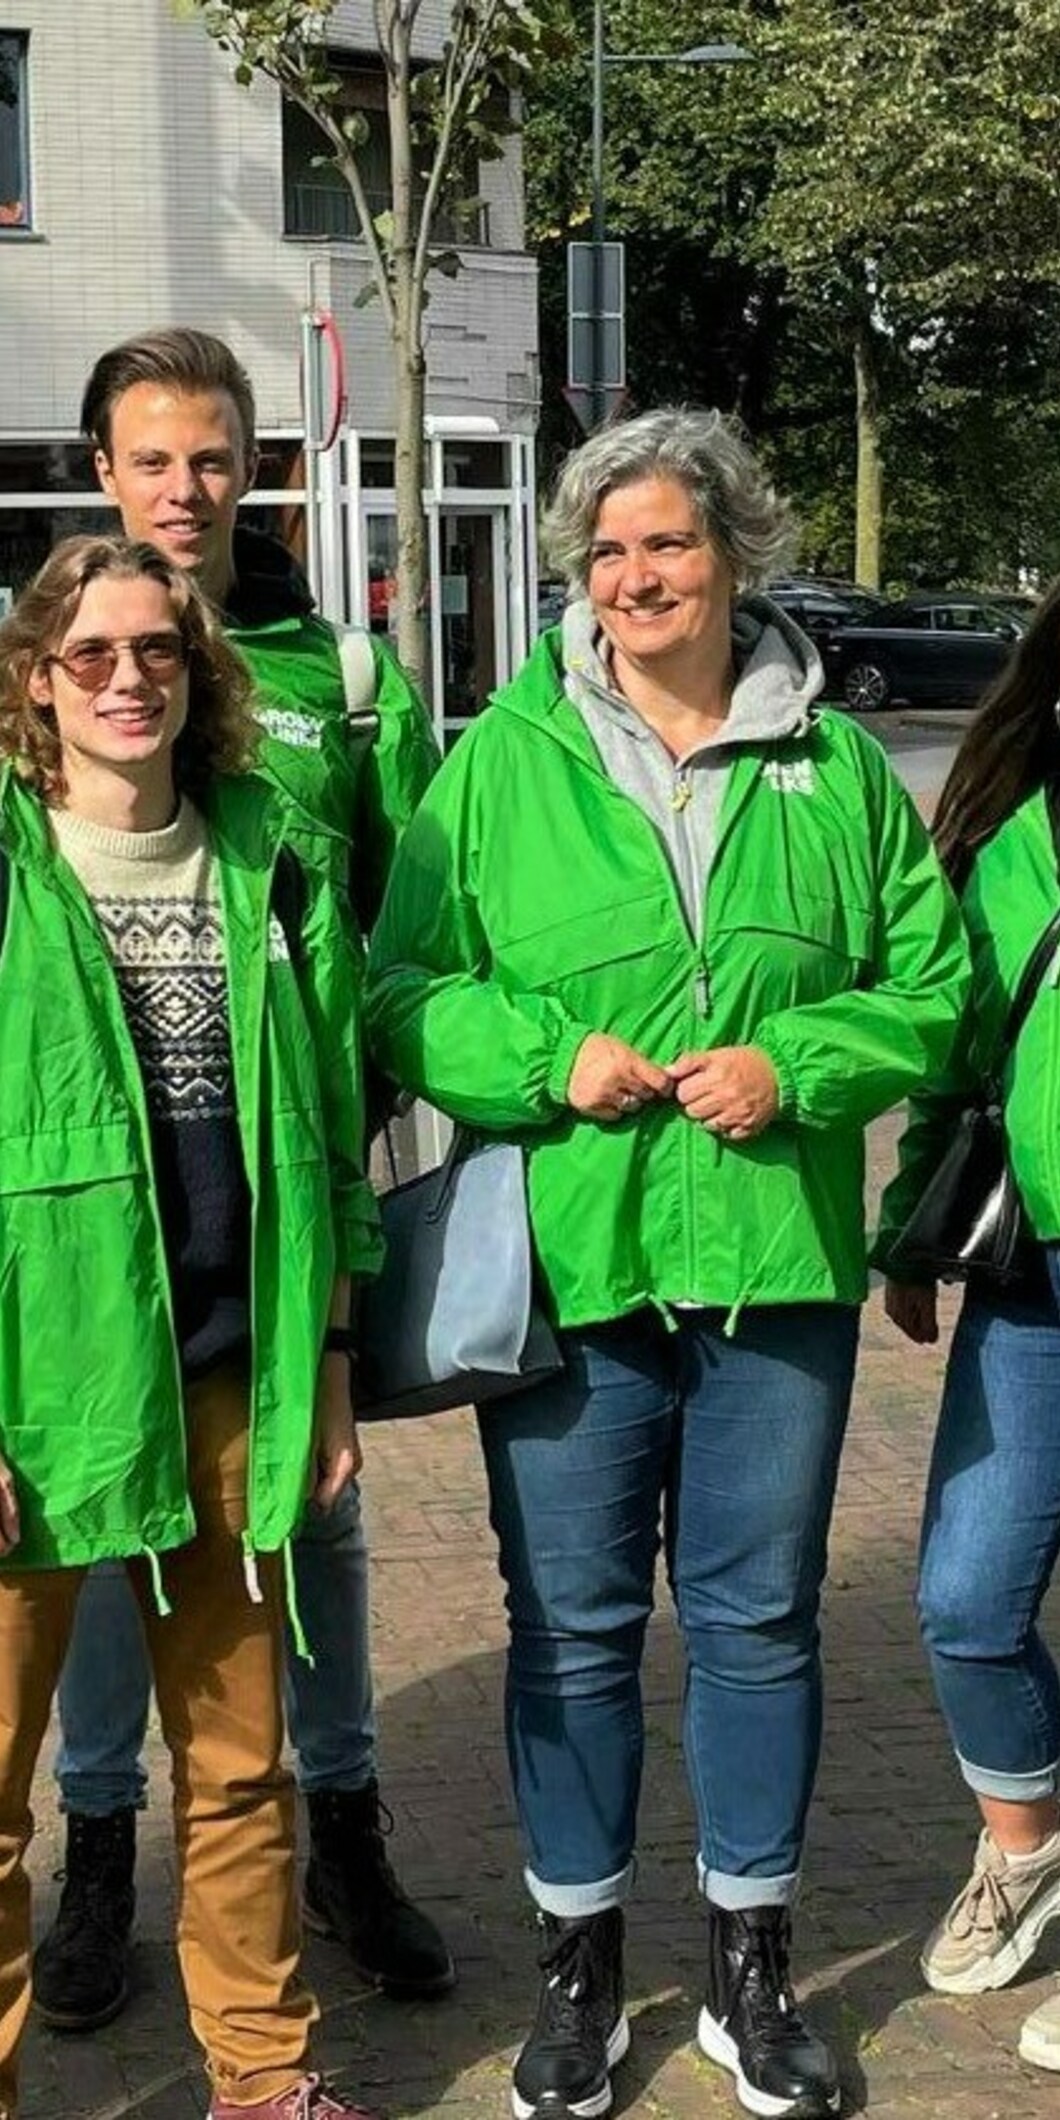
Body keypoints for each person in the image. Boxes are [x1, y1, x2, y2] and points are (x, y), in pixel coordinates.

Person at [365, 406, 969, 2120]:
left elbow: (927, 991)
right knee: (566, 1629)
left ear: (734, 557)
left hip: (775, 1267)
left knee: (760, 1621)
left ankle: (749, 1971)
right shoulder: (500, 760)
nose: (635, 576)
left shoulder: (835, 769)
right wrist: (546, 1061)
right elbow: (405, 989)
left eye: (669, 544)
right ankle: (578, 1973)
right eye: (607, 551)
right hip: (572, 1275)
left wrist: (809, 1062)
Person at [32, 329, 450, 2038]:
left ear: (255, 472)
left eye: (214, 459)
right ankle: (105, 1848)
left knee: (313, 1531)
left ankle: (340, 1833)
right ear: (104, 475)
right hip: (83, 1221)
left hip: (291, 1196)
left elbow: (414, 931)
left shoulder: (341, 680)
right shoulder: (69, 656)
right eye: (151, 459)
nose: (184, 489)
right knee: (102, 1525)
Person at [0, 532, 381, 2120]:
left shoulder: (272, 859)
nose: (127, 680)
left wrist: (338, 1371)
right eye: (90, 655)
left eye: (158, 650)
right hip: (36, 1392)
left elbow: (339, 1124)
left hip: (236, 1378)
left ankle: (265, 2079)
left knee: (237, 1768)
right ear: (36, 681)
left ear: (201, 671)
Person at [877, 578, 1060, 2073]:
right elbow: (954, 1046)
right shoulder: (1003, 832)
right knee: (967, 1599)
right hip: (1032, 1272)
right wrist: (909, 1234)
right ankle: (1025, 1843)